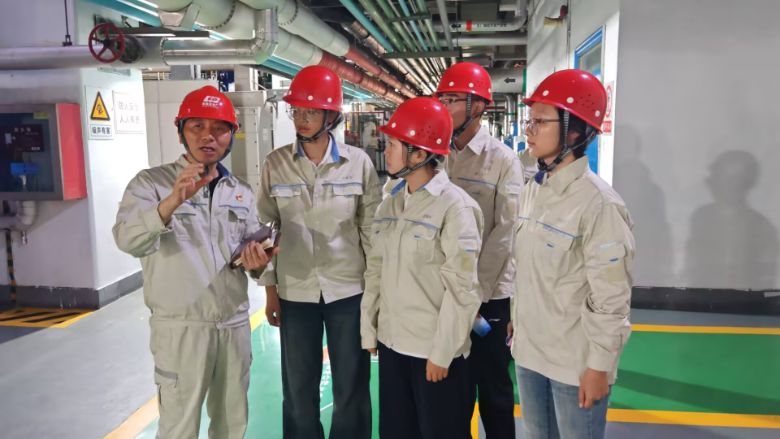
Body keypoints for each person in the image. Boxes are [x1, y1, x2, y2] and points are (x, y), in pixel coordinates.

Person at [113, 85, 271, 438]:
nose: (207, 136)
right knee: (179, 427)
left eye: (219, 128)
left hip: (233, 324)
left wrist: (258, 262)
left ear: (231, 135)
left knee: (232, 423)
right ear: (181, 132)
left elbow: (250, 259)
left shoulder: (240, 191)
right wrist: (172, 201)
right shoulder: (151, 184)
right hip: (181, 328)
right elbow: (128, 240)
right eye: (197, 126)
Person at [509, 69, 635, 438]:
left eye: (540, 121)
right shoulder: (533, 190)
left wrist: (599, 365)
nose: (529, 129)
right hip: (530, 353)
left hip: (573, 363)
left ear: (574, 130)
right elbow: (525, 265)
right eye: (529, 120)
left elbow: (612, 297)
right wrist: (518, 316)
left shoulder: (600, 204)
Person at [256, 65, 381, 439]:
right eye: (297, 110)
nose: (302, 118)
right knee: (298, 389)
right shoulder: (275, 163)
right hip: (295, 292)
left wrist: (376, 294)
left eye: (311, 111)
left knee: (352, 385)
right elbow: (264, 231)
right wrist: (270, 290)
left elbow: (371, 233)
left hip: (349, 291)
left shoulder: (358, 163)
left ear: (331, 116)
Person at [361, 97, 483, 439]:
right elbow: (376, 271)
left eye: (393, 145)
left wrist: (443, 353)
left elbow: (462, 290)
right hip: (392, 345)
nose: (385, 151)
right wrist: (370, 328)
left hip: (433, 355)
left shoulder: (455, 208)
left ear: (418, 154)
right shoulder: (391, 204)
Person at [435, 61, 523, 439]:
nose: (444, 107)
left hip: (489, 296)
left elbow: (505, 233)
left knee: (493, 389)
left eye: (453, 99)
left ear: (478, 106)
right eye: (442, 99)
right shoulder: (435, 154)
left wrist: (473, 291)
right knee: (451, 389)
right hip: (444, 291)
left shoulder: (502, 160)